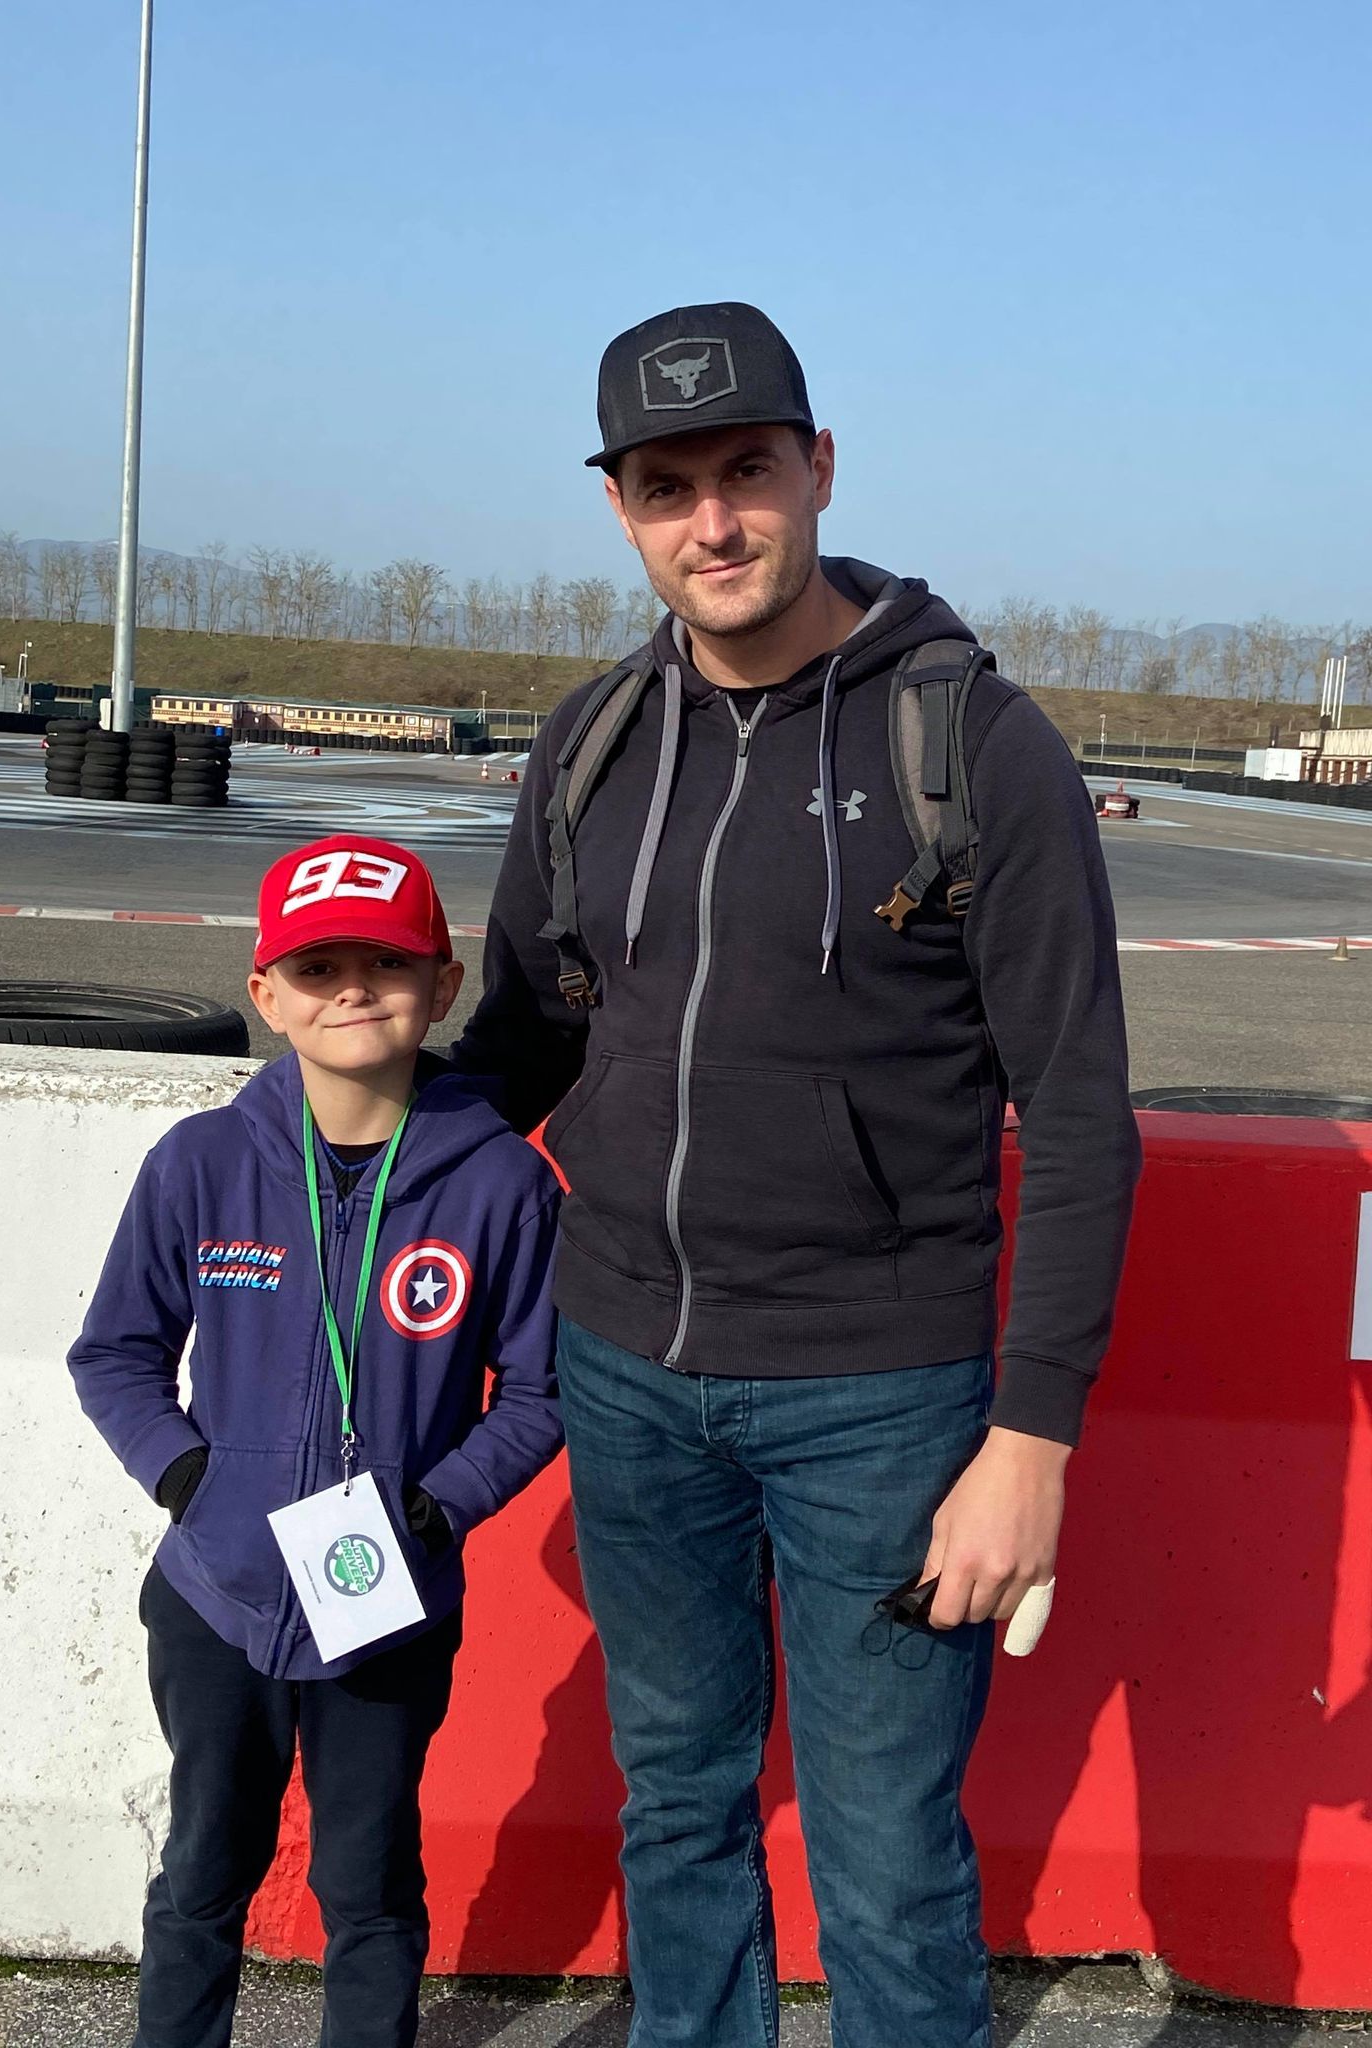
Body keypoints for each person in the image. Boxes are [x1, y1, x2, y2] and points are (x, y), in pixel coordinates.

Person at [452, 302, 1142, 2048]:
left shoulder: (975, 745)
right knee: (677, 1803)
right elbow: (522, 1043)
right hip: (625, 1375)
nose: (714, 522)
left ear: (820, 468)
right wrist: (323, 1135)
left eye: (747, 471)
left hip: (880, 1399)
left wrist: (1032, 1442)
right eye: (666, 486)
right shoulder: (593, 743)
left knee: (888, 1858)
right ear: (620, 508)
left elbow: (1077, 1113)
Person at [69, 832, 564, 2048]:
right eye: (318, 967)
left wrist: (441, 1504)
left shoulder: (502, 1182)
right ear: (267, 993)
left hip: (389, 1601)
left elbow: (543, 1389)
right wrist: (192, 1479)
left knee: (370, 1881)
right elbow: (114, 1352)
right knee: (203, 1868)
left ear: (443, 986)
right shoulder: (200, 1163)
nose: (353, 990)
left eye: (387, 964)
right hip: (216, 1593)